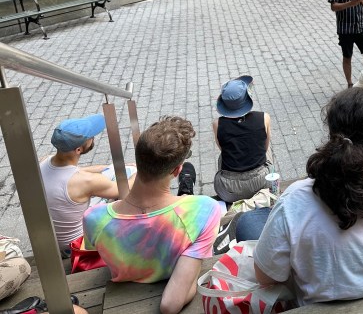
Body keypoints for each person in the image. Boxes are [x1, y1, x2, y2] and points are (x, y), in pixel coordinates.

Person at [235, 87, 363, 305]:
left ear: (332, 132)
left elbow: (264, 277)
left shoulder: (295, 199)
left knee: (249, 221)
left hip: (317, 305)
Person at [83, 116, 221, 314]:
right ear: (177, 170)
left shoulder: (93, 218)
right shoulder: (204, 210)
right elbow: (170, 305)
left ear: (137, 162)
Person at [39, 114, 136, 254]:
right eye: (91, 137)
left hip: (53, 242)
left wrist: (111, 167)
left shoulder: (44, 161)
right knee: (129, 178)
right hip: (78, 246)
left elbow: (78, 171)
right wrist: (138, 171)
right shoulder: (87, 181)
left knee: (114, 172)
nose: (93, 138)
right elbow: (122, 188)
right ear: (78, 149)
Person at [212, 76, 271, 203]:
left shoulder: (217, 124)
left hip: (228, 190)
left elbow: (223, 149)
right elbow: (265, 148)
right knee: (267, 145)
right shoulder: (264, 117)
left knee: (223, 155)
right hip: (261, 184)